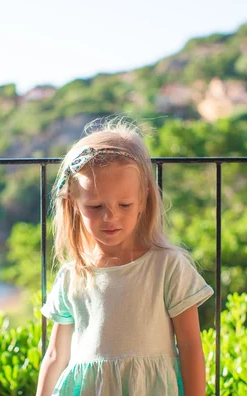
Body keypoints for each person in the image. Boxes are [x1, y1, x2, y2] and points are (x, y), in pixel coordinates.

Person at [36, 118, 214, 396]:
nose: (111, 217)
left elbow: (191, 345)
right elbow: (56, 355)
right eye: (95, 206)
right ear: (73, 204)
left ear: (143, 200)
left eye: (125, 204)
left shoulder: (167, 267)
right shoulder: (72, 275)